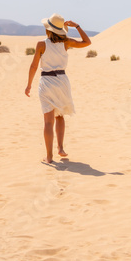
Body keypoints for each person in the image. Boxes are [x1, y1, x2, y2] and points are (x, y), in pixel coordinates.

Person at [25, 13, 91, 163]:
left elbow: (34, 65)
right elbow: (87, 42)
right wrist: (77, 26)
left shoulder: (41, 44)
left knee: (48, 121)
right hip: (62, 81)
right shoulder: (66, 42)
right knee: (60, 116)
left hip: (47, 81)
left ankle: (49, 157)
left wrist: (29, 84)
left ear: (48, 29)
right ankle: (60, 148)